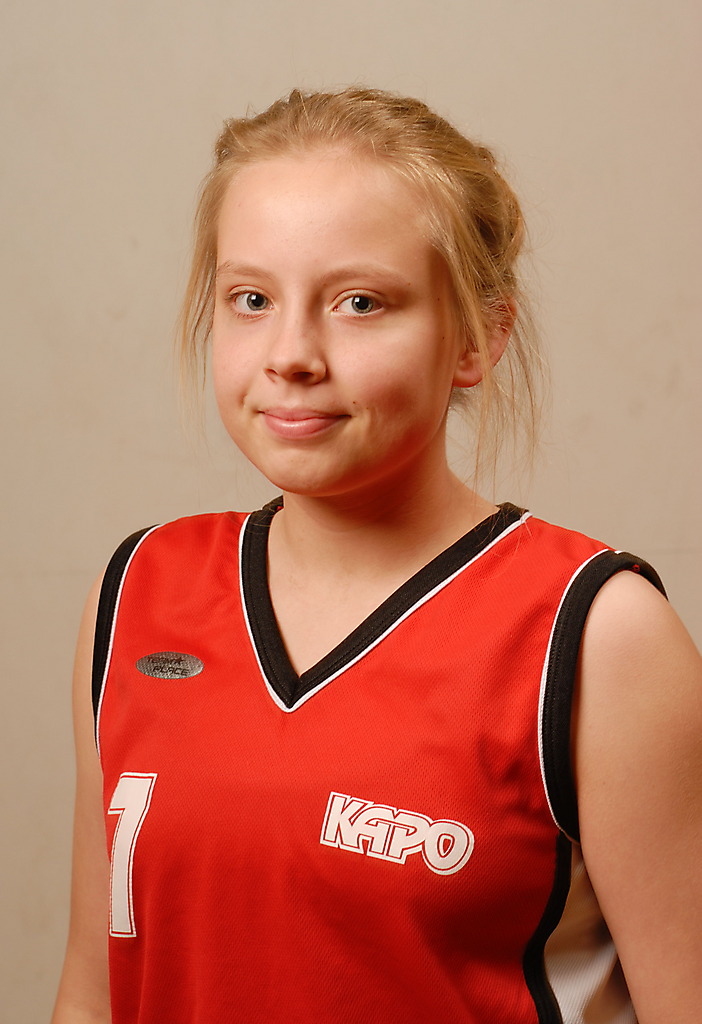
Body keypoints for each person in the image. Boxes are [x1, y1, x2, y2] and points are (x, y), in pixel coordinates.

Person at [52, 88, 701, 1024]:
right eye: (251, 299)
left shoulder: (598, 635)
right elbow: (92, 992)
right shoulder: (135, 592)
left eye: (360, 302)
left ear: (478, 336)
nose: (291, 354)